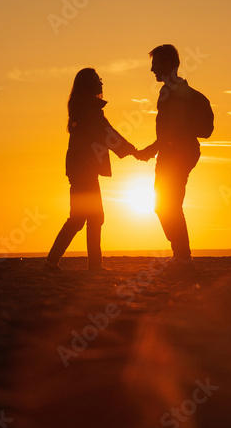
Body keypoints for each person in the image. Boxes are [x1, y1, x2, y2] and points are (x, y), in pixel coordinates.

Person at [46, 68, 136, 273]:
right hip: (83, 170)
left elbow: (106, 134)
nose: (101, 84)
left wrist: (129, 149)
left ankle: (87, 264)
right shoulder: (89, 110)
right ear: (88, 85)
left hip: (83, 170)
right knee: (82, 218)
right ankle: (67, 263)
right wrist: (132, 150)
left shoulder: (85, 108)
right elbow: (108, 134)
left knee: (90, 217)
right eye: (97, 80)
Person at [134, 45, 214, 277]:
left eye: (156, 64)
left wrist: (152, 148)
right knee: (165, 205)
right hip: (175, 152)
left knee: (169, 205)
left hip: (178, 153)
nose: (152, 69)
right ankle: (181, 256)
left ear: (169, 64)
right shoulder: (170, 91)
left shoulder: (174, 91)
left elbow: (176, 127)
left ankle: (182, 258)